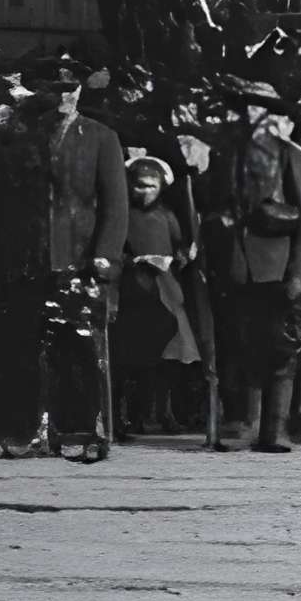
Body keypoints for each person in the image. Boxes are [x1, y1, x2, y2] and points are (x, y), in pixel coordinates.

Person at [0, 54, 132, 465]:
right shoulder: (27, 137)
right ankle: (38, 430)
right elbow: (12, 203)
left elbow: (116, 206)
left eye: (69, 89)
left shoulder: (101, 137)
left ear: (81, 91)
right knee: (32, 350)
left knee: (84, 351)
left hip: (81, 256)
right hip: (35, 257)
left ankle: (92, 431)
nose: (62, 98)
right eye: (54, 90)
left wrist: (105, 256)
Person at [207, 75, 301, 453]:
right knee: (242, 345)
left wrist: (299, 275)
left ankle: (275, 429)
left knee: (282, 348)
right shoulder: (225, 154)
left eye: (259, 109)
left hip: (277, 266)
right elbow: (211, 205)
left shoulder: (289, 155)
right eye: (245, 109)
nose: (251, 116)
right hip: (236, 265)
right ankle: (248, 422)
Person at [114, 153, 202, 438]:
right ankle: (130, 416)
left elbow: (179, 244)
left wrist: (181, 257)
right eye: (140, 185)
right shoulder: (123, 216)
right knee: (135, 356)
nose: (145, 191)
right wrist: (133, 262)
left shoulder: (167, 216)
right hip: (135, 289)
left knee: (170, 355)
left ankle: (166, 413)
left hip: (168, 288)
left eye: (152, 186)